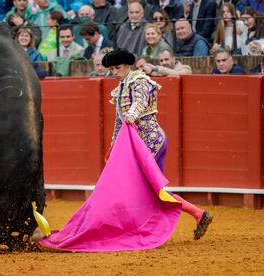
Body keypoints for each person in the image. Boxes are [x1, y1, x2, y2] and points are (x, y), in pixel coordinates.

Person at [36, 49, 212, 253]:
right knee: (154, 190)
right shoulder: (120, 88)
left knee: (151, 189)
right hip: (138, 143)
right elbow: (119, 122)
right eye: (111, 69)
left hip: (150, 141)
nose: (114, 72)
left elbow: (140, 101)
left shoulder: (140, 79)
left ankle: (194, 215)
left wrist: (132, 114)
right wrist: (115, 146)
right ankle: (198, 214)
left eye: (117, 68)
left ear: (128, 66)